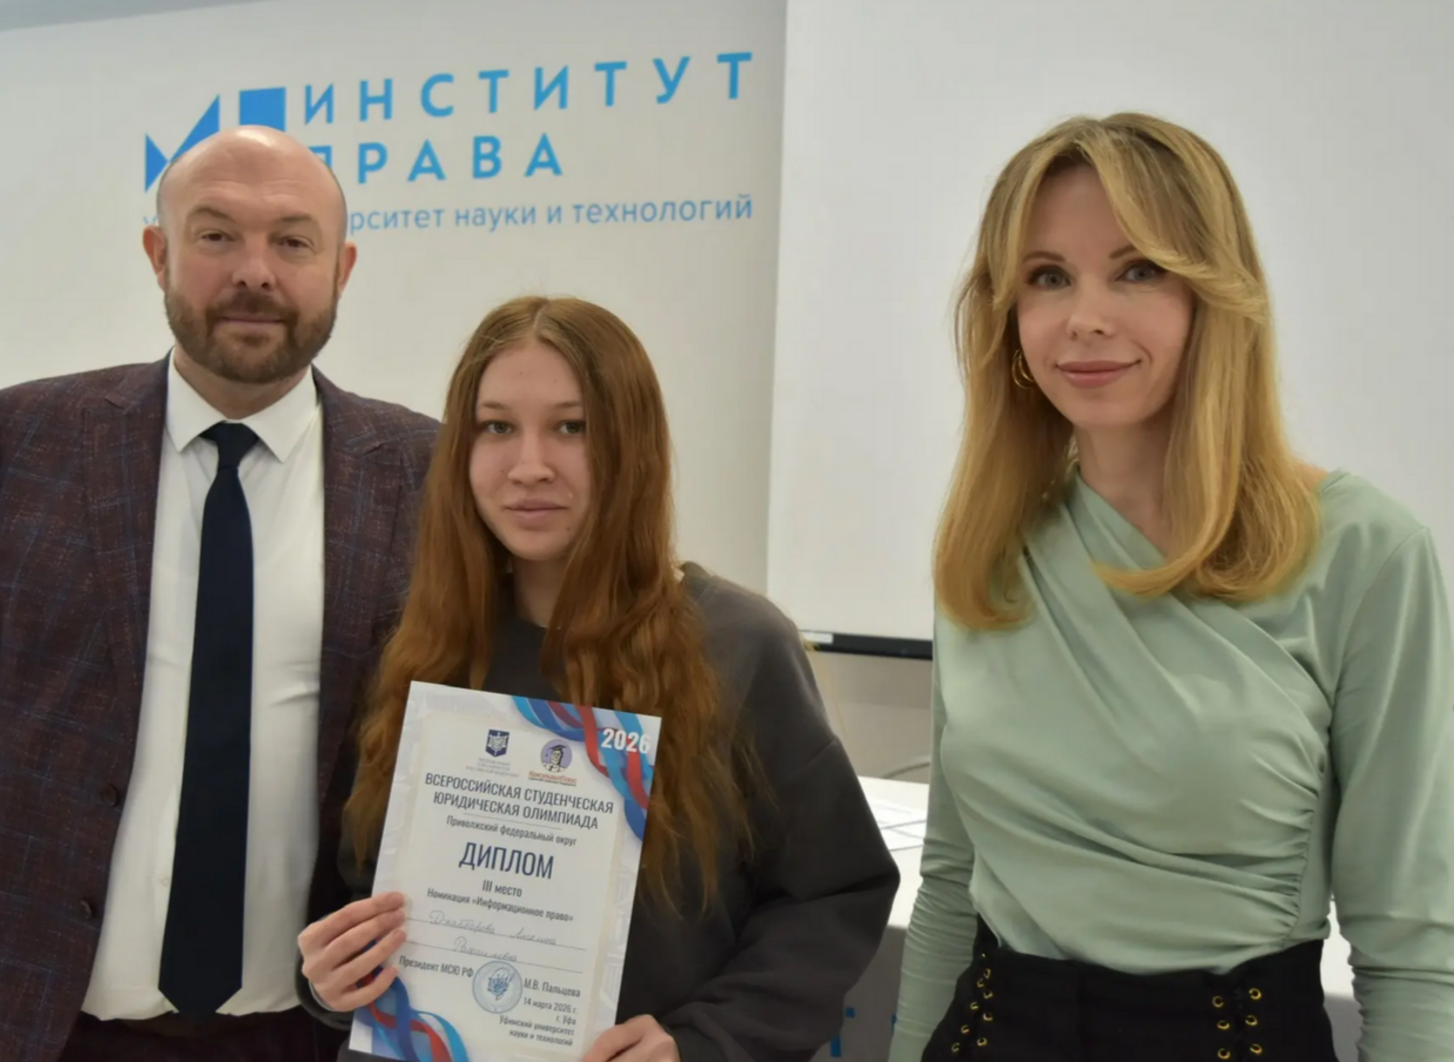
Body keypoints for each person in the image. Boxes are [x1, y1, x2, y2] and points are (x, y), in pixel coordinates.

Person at [887, 112, 1454, 1062]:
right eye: (1047, 277)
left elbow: (1414, 947)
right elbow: (951, 881)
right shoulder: (990, 546)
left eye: (1138, 269)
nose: (1085, 317)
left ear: (1213, 296)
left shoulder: (1366, 553)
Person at [0, 126, 438, 1062]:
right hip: (53, 1032)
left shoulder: (424, 470)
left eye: (293, 241)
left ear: (342, 269)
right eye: (216, 235)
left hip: (310, 1040)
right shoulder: (28, 439)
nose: (254, 271)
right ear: (158, 254)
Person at [294, 295, 900, 1062]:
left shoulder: (738, 648)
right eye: (496, 427)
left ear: (632, 446)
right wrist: (334, 978)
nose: (530, 466)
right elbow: (361, 893)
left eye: (572, 427)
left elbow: (830, 896)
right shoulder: (419, 649)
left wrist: (701, 1043)